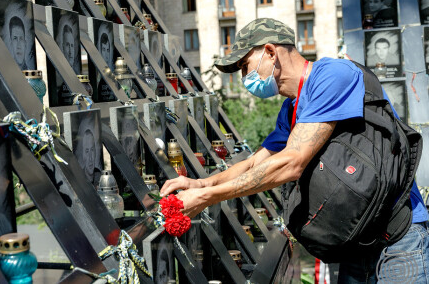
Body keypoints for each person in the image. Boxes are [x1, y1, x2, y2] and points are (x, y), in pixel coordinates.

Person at [160, 18, 429, 282]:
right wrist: (199, 184)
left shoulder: (333, 75)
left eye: (245, 66)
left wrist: (208, 197)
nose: (244, 77)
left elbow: (292, 163)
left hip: (397, 240)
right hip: (356, 245)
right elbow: (256, 164)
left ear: (270, 52)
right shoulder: (291, 109)